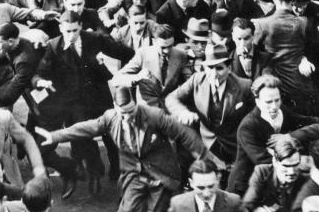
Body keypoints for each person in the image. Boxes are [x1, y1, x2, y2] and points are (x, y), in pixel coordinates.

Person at [42, 86, 208, 212]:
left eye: (131, 111)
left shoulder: (154, 115)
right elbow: (86, 128)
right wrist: (55, 136)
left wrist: (204, 158)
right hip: (133, 175)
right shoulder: (110, 117)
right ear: (115, 107)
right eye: (123, 113)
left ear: (135, 103)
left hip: (160, 174)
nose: (128, 117)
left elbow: (183, 133)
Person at [32, 10, 134, 193]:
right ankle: (94, 172)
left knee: (110, 133)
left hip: (98, 96)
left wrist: (124, 76)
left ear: (80, 26)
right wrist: (40, 81)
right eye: (67, 31)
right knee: (81, 135)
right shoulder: (54, 46)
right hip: (75, 101)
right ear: (61, 28)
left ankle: (117, 166)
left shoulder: (95, 38)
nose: (71, 35)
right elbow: (40, 71)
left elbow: (125, 52)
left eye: (74, 30)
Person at [166, 43, 254, 165]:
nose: (214, 73)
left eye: (219, 68)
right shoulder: (197, 80)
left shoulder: (244, 86)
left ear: (229, 69)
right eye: (210, 68)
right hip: (206, 143)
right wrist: (183, 112)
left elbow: (256, 115)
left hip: (235, 145)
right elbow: (171, 98)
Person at [242, 136, 308, 211]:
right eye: (286, 166)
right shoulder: (262, 172)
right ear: (275, 162)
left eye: (295, 165)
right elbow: (247, 204)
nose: (291, 171)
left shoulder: (306, 179)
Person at [168, 158, 244, 212]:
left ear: (218, 179)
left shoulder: (233, 202)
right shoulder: (178, 204)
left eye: (211, 186)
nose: (206, 193)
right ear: (191, 183)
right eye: (201, 188)